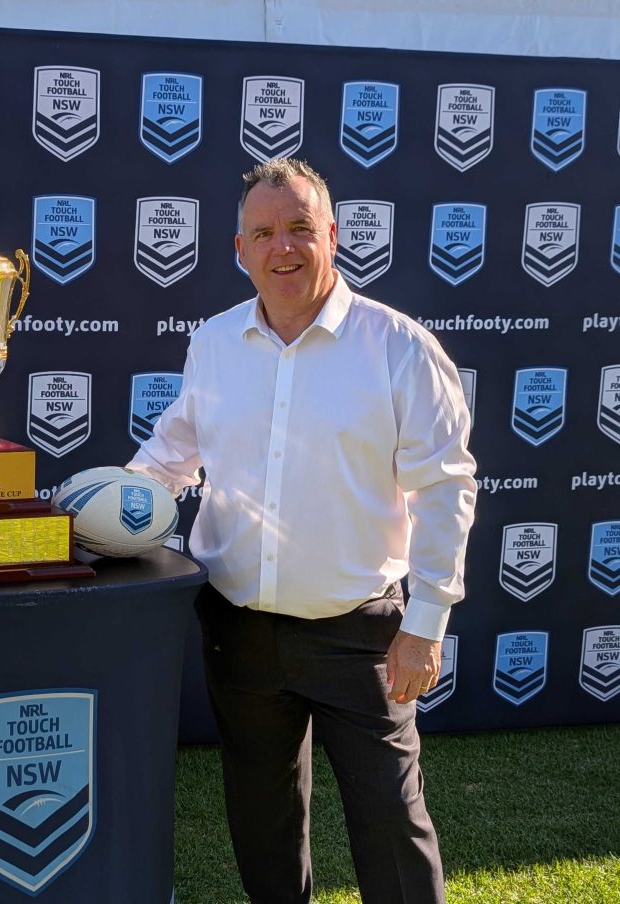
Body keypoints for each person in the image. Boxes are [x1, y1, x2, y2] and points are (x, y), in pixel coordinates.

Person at [128, 158, 476, 904]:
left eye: (299, 229)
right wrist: (102, 512)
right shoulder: (215, 342)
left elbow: (447, 490)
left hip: (363, 638)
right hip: (239, 631)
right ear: (239, 250)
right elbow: (168, 457)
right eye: (264, 232)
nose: (282, 247)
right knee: (263, 822)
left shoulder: (400, 347)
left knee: (391, 823)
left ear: (333, 237)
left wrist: (427, 622)